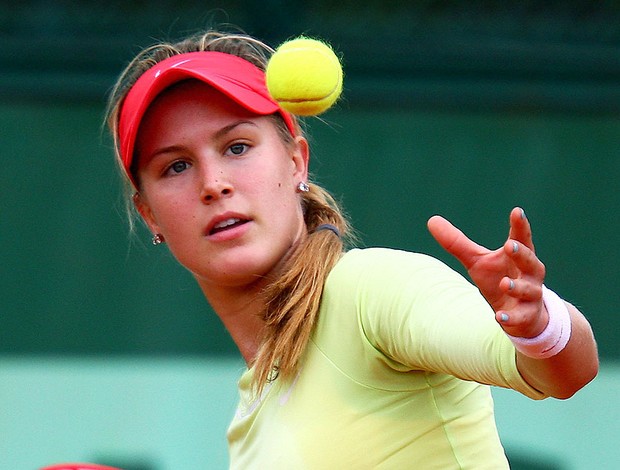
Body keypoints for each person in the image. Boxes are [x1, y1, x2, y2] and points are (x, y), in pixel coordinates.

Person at [105, 30, 598, 469]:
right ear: (150, 214)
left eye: (237, 147)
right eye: (175, 166)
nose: (213, 184)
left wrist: (537, 326)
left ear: (297, 161)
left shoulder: (370, 290)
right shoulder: (247, 426)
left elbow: (562, 373)